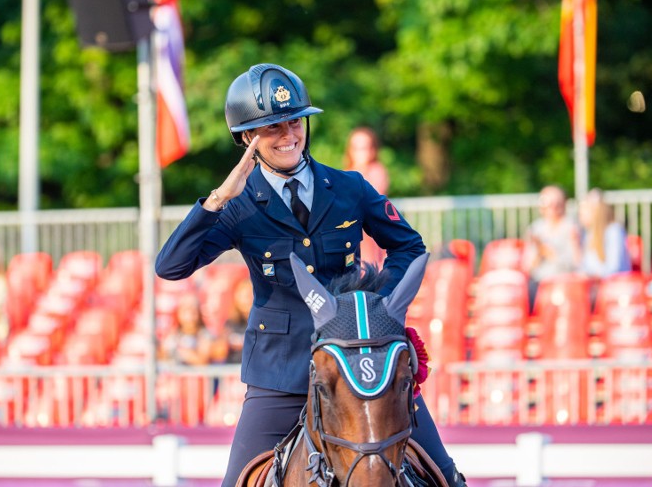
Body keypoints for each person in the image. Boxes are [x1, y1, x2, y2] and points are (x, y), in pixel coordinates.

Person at [155, 63, 465, 487]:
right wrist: (218, 198)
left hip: (358, 363)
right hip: (281, 371)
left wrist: (373, 307)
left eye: (295, 121)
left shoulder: (350, 187)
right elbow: (170, 266)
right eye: (272, 128)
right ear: (247, 138)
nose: (289, 135)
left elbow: (410, 247)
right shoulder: (239, 205)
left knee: (444, 475)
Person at [520, 185, 581, 310]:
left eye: (556, 203)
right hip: (539, 284)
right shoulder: (536, 228)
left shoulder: (572, 227)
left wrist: (549, 253)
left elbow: (576, 264)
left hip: (565, 283)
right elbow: (528, 267)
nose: (552, 207)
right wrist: (539, 253)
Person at [344, 126, 389, 266]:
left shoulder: (377, 170)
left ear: (372, 150)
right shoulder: (345, 173)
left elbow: (370, 199)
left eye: (364, 147)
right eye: (356, 147)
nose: (360, 152)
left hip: (371, 232)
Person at [578, 188, 632, 279]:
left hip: (613, 286)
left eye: (584, 210)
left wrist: (595, 277)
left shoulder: (614, 230)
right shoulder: (589, 234)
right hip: (596, 285)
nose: (580, 215)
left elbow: (614, 268)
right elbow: (585, 266)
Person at [158, 294, 216, 366]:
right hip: (175, 375)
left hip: (196, 376)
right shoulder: (174, 334)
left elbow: (202, 361)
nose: (189, 317)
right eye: (185, 312)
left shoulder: (204, 334)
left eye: (193, 312)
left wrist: (183, 353)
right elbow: (163, 356)